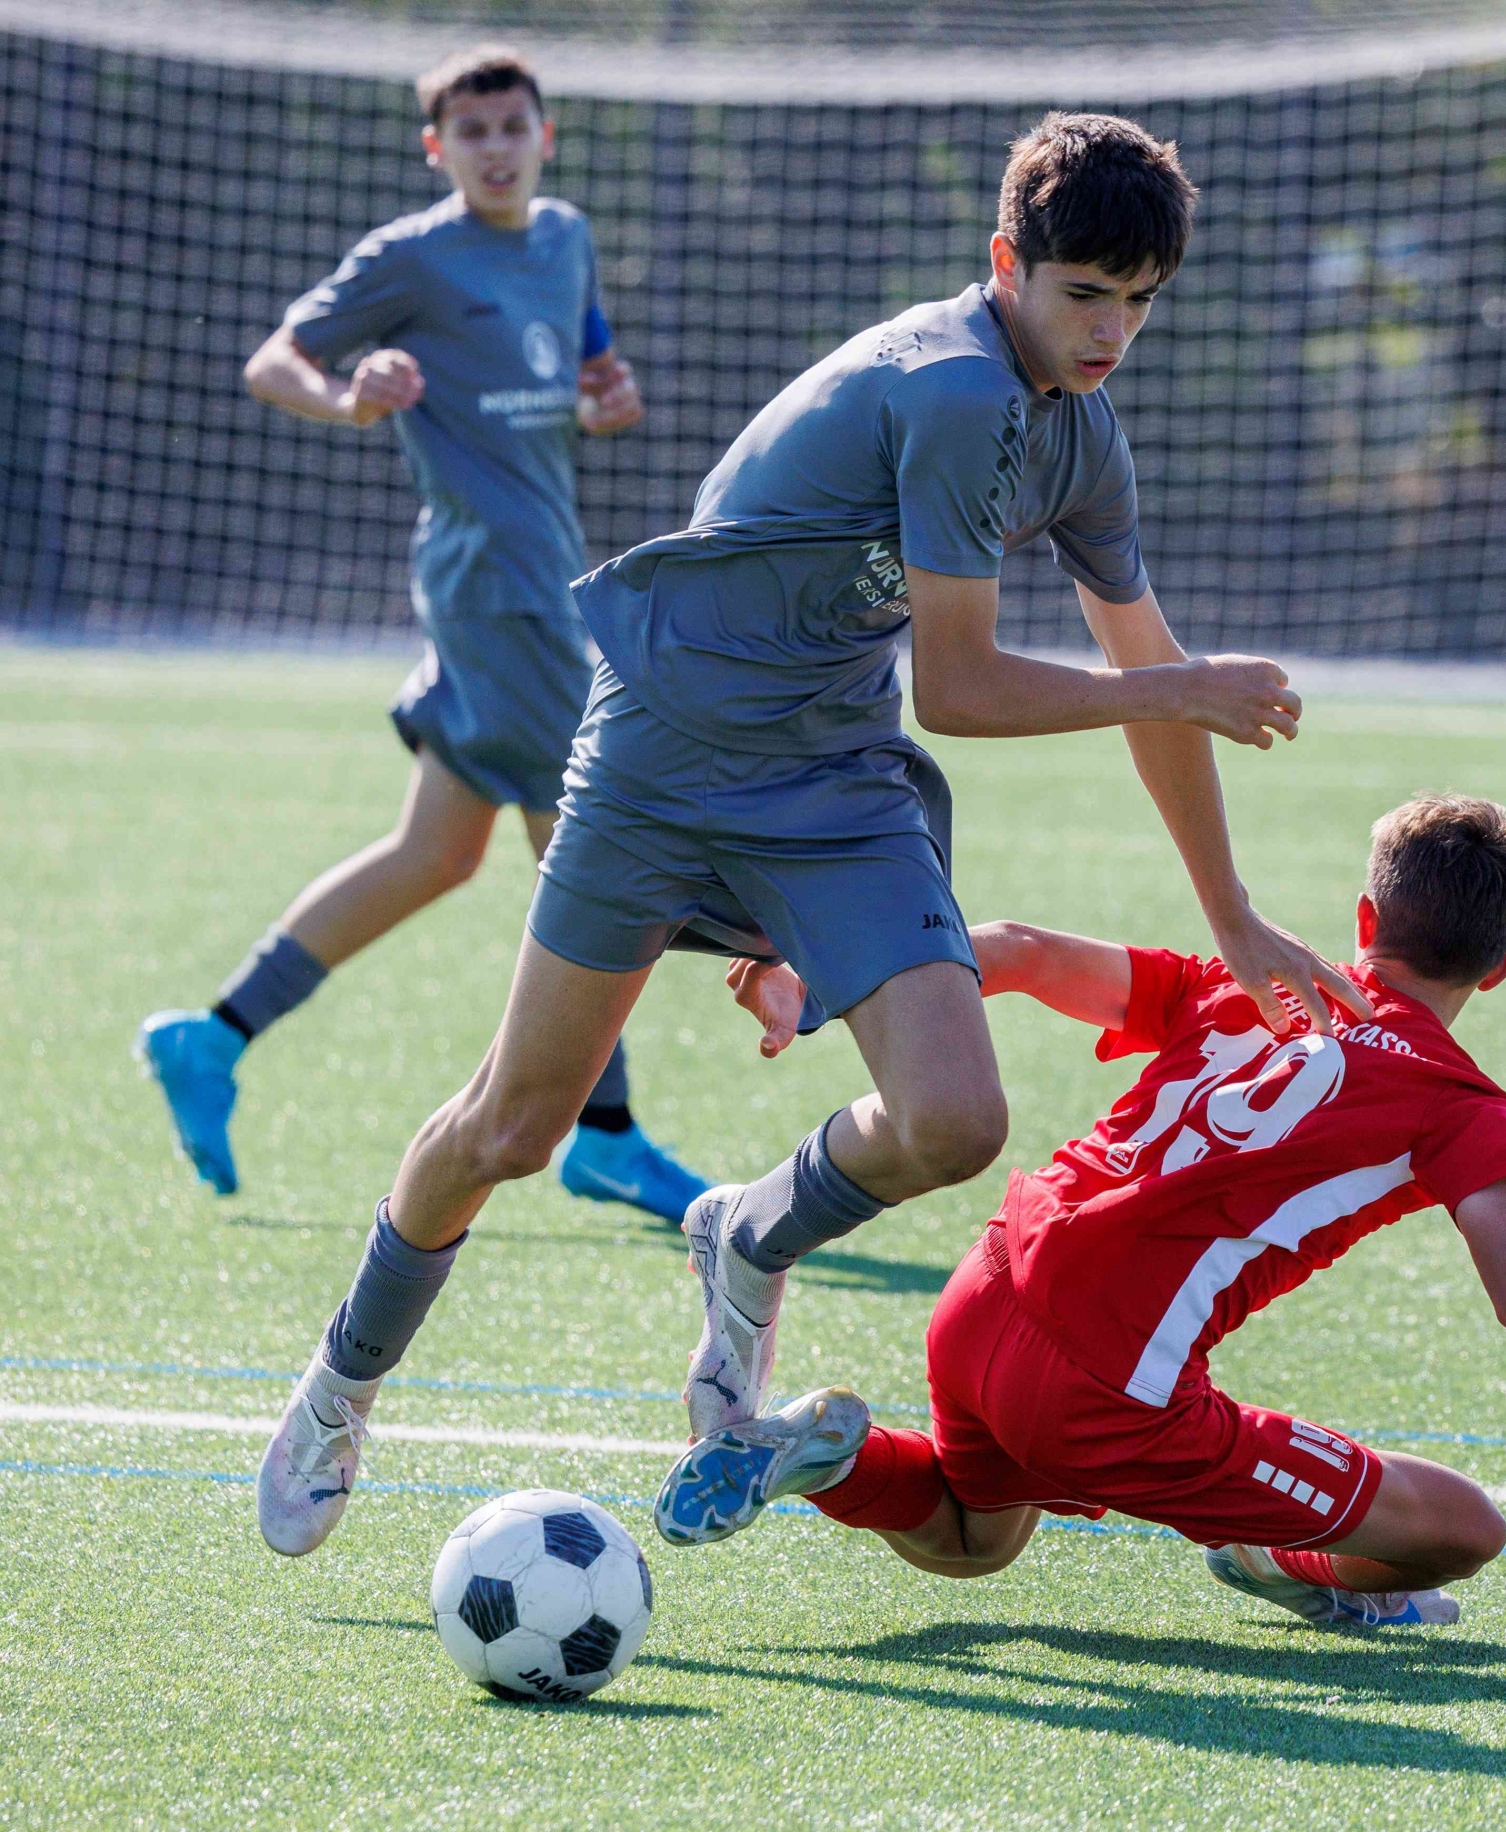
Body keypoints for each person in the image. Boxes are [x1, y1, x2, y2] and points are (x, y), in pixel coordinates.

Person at [252, 110, 1374, 1559]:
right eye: (1084, 293)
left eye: (1140, 302)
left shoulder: (1081, 436)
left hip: (832, 780)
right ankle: (341, 1384)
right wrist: (1173, 686)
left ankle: (748, 1233)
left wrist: (1230, 912)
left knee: (954, 1121)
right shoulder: (954, 387)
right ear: (1006, 264)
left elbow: (1144, 660)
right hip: (660, 755)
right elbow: (964, 690)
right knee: (513, 1127)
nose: (1111, 333)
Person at [655, 794, 1506, 1629]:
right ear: (1501, 968)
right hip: (1105, 1383)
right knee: (1463, 1530)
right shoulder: (1456, 1102)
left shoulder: (1253, 984)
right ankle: (1285, 1559)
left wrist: (824, 978)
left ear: (1364, 924)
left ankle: (824, 1455)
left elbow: (1017, 948)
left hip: (983, 1290)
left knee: (977, 1538)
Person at [135, 44, 706, 1224]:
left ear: (545, 137)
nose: (496, 149)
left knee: (438, 853)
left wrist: (607, 401)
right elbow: (273, 363)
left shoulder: (566, 239)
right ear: (437, 149)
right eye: (472, 132)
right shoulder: (409, 258)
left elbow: (586, 374)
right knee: (591, 856)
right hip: (495, 591)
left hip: (541, 578)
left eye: (514, 127)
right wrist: (350, 397)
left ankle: (212, 1035)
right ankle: (605, 1134)